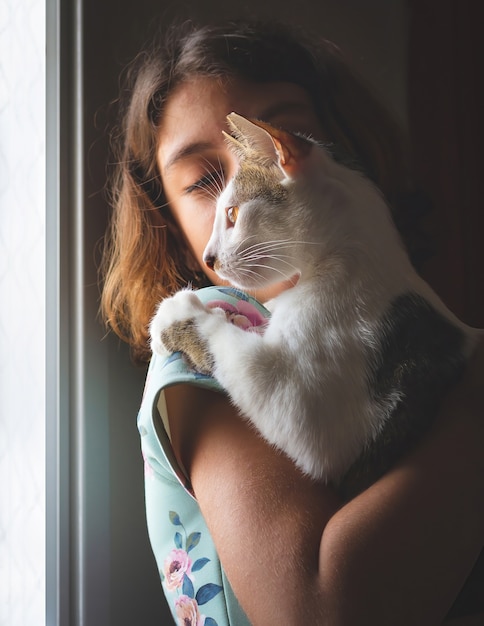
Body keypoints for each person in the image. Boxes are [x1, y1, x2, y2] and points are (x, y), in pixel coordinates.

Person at [101, 19, 484, 625]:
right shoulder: (202, 350)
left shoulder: (403, 322)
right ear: (169, 226)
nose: (248, 194)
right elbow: (317, 611)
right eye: (204, 179)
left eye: (285, 136)